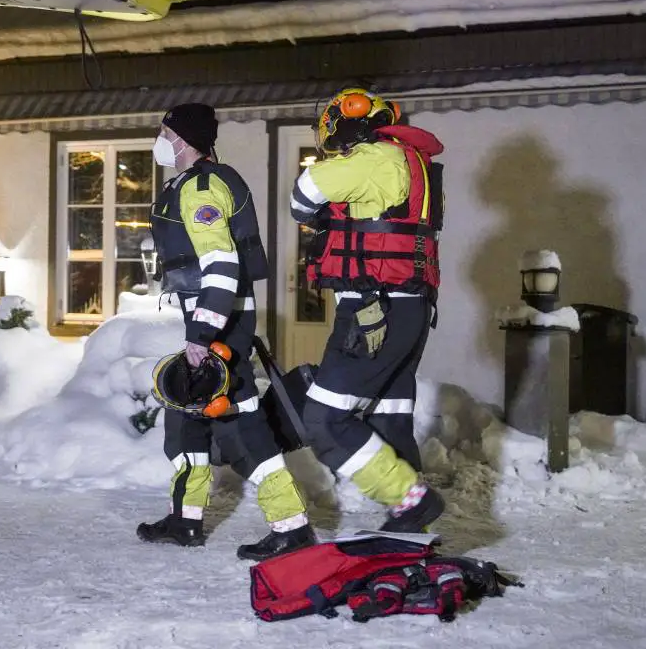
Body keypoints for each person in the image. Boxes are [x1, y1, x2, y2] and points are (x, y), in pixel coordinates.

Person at [138, 102, 315, 561]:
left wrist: (202, 336)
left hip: (219, 326)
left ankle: (291, 528)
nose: (161, 139)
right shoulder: (197, 183)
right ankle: (186, 521)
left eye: (165, 131)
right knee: (185, 425)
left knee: (245, 428)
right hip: (214, 320)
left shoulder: (200, 189)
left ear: (181, 138)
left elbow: (221, 264)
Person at [288, 87, 446, 534]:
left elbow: (303, 195)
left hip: (373, 311)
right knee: (389, 417)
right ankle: (408, 528)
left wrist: (324, 215)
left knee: (323, 419)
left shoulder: (374, 158)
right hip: (409, 310)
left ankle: (411, 501)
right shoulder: (412, 161)